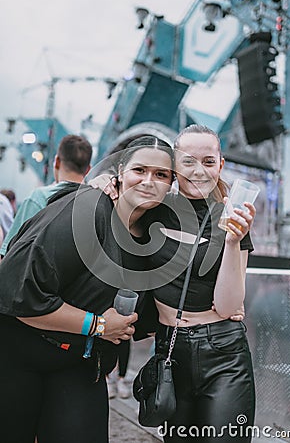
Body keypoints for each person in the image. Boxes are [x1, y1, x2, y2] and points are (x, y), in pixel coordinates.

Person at [0, 136, 174, 443]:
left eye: (161, 174)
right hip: (19, 355)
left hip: (81, 364)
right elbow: (21, 296)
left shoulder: (154, 236)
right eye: (140, 170)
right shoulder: (85, 210)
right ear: (120, 172)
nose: (149, 181)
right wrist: (99, 325)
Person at [92, 124, 256, 442]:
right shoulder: (153, 211)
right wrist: (105, 184)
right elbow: (117, 218)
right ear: (174, 167)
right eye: (188, 161)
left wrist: (234, 242)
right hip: (170, 350)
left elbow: (228, 305)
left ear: (220, 165)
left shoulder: (233, 219)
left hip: (224, 355)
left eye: (208, 162)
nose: (198, 171)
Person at [0, 134, 93, 258]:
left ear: (57, 162)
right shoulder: (96, 203)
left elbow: (8, 254)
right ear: (88, 169)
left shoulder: (40, 198)